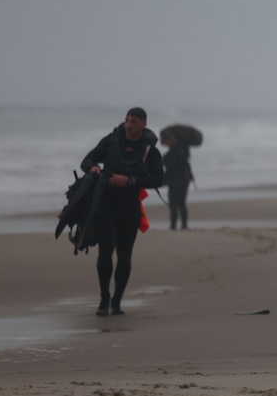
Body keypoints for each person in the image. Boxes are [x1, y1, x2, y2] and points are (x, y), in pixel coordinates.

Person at [80, 107, 164, 316]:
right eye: (126, 120)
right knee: (105, 250)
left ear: (144, 124)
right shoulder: (112, 141)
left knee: (124, 254)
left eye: (134, 121)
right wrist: (93, 168)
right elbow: (87, 160)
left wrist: (130, 181)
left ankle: (117, 301)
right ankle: (103, 299)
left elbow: (159, 179)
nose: (128, 125)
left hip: (129, 207)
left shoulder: (149, 150)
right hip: (106, 204)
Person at [162, 134, 194, 230]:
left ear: (172, 139)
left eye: (166, 140)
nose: (165, 142)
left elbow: (170, 170)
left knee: (173, 204)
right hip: (184, 180)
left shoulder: (173, 153)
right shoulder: (183, 151)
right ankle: (184, 225)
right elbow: (186, 166)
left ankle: (173, 226)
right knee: (181, 203)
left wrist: (162, 180)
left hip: (176, 182)